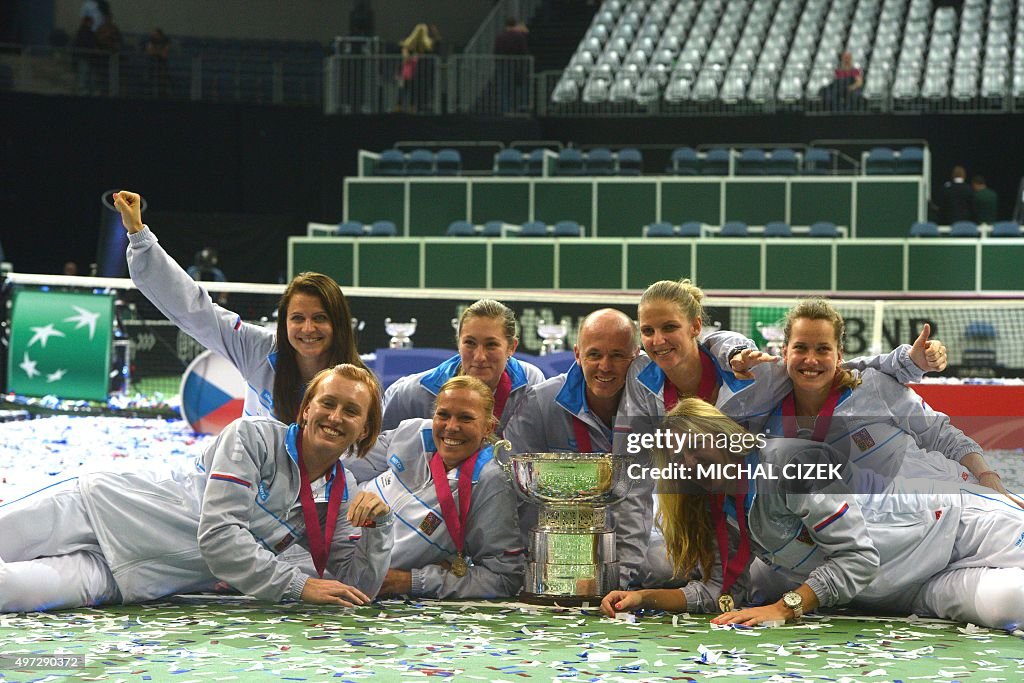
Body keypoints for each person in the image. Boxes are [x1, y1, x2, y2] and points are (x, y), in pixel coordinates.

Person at [616, 279, 949, 588]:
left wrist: (906, 361)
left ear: (696, 327)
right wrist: (624, 575)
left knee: (783, 574)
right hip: (695, 507)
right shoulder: (642, 379)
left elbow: (828, 367)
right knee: (661, 569)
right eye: (647, 330)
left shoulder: (757, 374)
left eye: (670, 327)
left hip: (756, 513)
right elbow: (633, 478)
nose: (658, 340)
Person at [602, 398, 1024, 631]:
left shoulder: (789, 463)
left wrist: (785, 608)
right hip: (903, 590)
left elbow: (856, 558)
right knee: (1009, 604)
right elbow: (723, 590)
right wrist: (646, 598)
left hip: (955, 525)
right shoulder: (721, 506)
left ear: (725, 435)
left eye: (698, 449)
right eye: (680, 460)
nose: (693, 465)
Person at [0, 364, 395, 612]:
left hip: (126, 578)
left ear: (365, 429)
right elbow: (220, 537)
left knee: (10, 590)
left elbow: (352, 591)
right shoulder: (253, 438)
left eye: (351, 411)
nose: (335, 417)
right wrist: (297, 584)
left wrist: (380, 528)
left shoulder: (342, 493)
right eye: (327, 403)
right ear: (307, 408)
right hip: (97, 509)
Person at [114, 191, 366, 424]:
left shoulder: (359, 383)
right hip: (251, 472)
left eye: (320, 318)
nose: (308, 328)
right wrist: (139, 235)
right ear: (284, 322)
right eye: (297, 318)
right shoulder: (259, 350)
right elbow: (194, 308)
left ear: (339, 322)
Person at [738, 298, 1018, 500]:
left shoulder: (873, 386)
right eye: (801, 348)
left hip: (956, 499)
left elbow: (944, 437)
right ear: (785, 352)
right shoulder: (770, 416)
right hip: (888, 543)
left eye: (823, 349)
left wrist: (988, 477)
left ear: (839, 356)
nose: (811, 359)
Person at [349, 376, 525, 598]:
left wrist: (411, 581)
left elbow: (503, 578)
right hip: (328, 553)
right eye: (443, 415)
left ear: (487, 427)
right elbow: (348, 461)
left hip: (362, 589)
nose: (451, 427)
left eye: (466, 418)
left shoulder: (491, 482)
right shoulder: (413, 434)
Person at [505, 308, 638, 540]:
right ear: (577, 354)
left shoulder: (647, 408)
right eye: (594, 354)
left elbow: (639, 503)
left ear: (635, 355)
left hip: (625, 545)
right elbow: (511, 491)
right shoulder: (540, 404)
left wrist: (623, 569)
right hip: (551, 548)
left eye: (617, 355)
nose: (605, 366)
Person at [380, 298, 544, 435]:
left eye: (491, 345)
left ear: (511, 347)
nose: (479, 356)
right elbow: (378, 456)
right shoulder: (411, 396)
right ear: (459, 342)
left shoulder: (530, 384)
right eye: (470, 343)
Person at [397, 23, 435, 113]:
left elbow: (404, 57)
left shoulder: (408, 44)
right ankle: (412, 108)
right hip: (419, 72)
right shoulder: (426, 45)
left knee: (404, 89)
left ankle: (398, 106)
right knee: (414, 91)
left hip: (408, 71)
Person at [494, 17, 529, 113]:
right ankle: (521, 107)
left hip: (503, 63)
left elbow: (496, 51)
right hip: (517, 64)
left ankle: (505, 109)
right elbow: (523, 50)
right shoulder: (520, 36)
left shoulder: (500, 37)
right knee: (518, 86)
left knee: (504, 88)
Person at [145, 28, 171, 98]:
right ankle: (150, 92)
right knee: (151, 74)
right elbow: (149, 51)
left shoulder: (166, 40)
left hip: (162, 63)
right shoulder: (152, 40)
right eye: (154, 35)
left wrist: (155, 51)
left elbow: (165, 53)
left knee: (162, 76)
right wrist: (159, 52)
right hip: (152, 62)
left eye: (156, 35)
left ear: (160, 35)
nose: (154, 36)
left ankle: (162, 93)